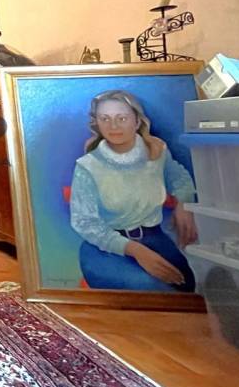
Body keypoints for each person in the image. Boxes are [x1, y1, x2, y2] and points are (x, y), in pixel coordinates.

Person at [69, 89, 198, 292]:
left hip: (155, 239)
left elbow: (179, 177)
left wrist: (184, 203)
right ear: (97, 123)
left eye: (122, 118)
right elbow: (84, 222)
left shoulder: (156, 151)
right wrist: (137, 251)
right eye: (105, 119)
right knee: (150, 289)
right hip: (105, 249)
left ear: (137, 122)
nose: (113, 126)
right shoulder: (88, 166)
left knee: (187, 287)